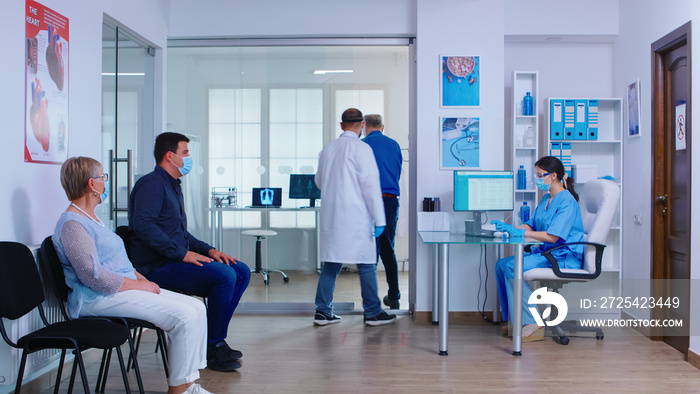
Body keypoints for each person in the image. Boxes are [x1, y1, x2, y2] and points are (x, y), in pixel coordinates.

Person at [53, 156, 212, 394]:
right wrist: (139, 287)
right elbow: (92, 276)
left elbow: (118, 262)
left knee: (196, 308)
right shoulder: (72, 224)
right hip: (94, 299)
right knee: (183, 316)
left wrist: (141, 279)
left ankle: (189, 383)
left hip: (118, 290)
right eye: (102, 177)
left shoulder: (92, 219)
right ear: (91, 184)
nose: (105, 182)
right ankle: (178, 389)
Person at [128, 132, 251, 372]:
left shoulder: (172, 186)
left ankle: (212, 340)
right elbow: (143, 226)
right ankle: (213, 346)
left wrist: (209, 250)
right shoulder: (152, 184)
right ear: (169, 156)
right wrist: (183, 254)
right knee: (223, 276)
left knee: (241, 271)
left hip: (172, 258)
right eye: (185, 153)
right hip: (155, 266)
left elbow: (180, 234)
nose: (189, 157)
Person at [313, 108, 397, 327]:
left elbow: (319, 182)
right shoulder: (362, 149)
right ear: (362, 125)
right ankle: (372, 312)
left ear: (341, 125)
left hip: (332, 216)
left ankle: (322, 312)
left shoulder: (328, 149)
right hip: (356, 216)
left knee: (331, 263)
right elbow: (370, 186)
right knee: (366, 263)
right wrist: (380, 220)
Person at [491, 156, 584, 342]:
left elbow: (553, 236)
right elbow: (532, 226)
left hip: (562, 255)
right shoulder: (546, 199)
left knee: (511, 267)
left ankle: (533, 321)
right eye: (537, 175)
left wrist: (521, 234)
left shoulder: (567, 202)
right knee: (502, 264)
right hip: (548, 252)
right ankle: (515, 321)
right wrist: (511, 228)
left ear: (554, 176)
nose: (537, 179)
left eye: (540, 175)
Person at [362, 114, 403, 309]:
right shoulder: (394, 145)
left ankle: (371, 302)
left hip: (367, 202)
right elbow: (397, 171)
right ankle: (394, 297)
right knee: (388, 250)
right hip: (389, 201)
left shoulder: (362, 145)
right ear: (382, 127)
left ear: (364, 126)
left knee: (370, 252)